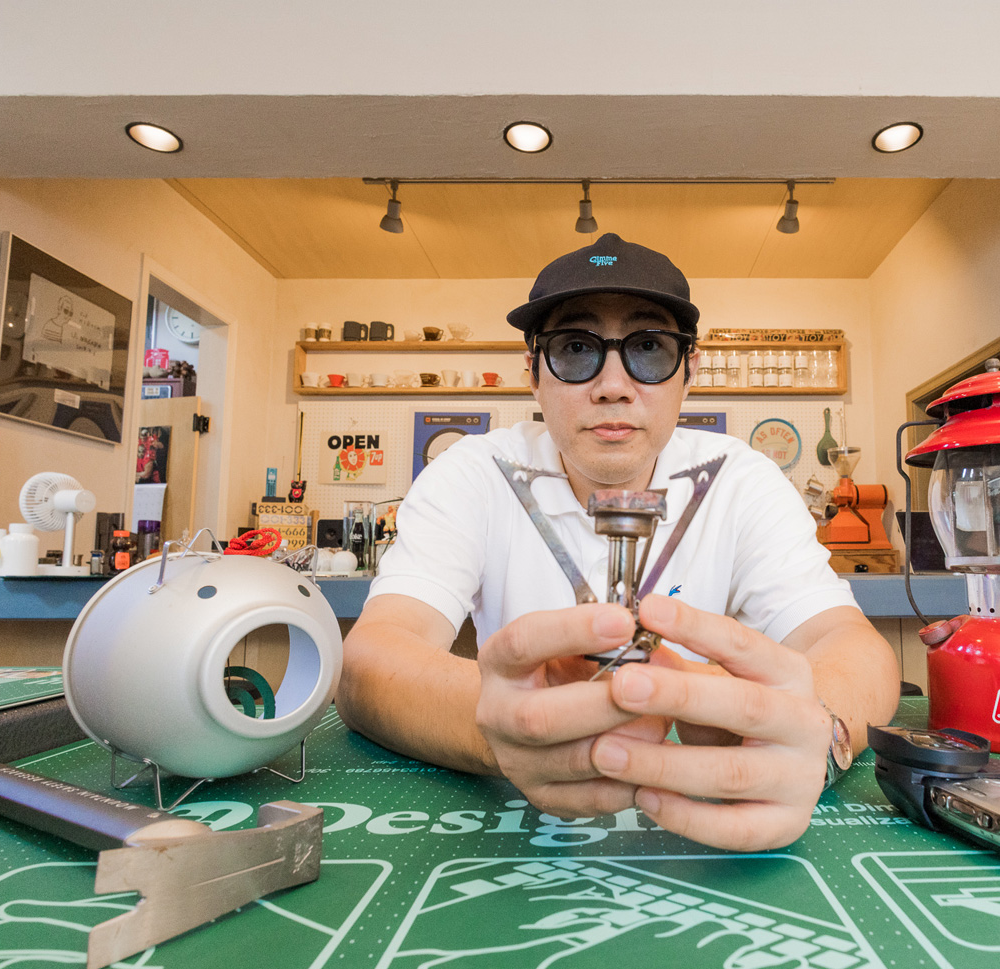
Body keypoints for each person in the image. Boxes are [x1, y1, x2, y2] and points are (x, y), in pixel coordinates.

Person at [337, 233, 900, 851]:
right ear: (533, 374)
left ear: (689, 372)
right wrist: (508, 725)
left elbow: (851, 646)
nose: (612, 386)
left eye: (649, 348)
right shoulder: (473, 472)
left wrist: (817, 738)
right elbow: (370, 662)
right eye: (576, 348)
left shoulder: (741, 479)